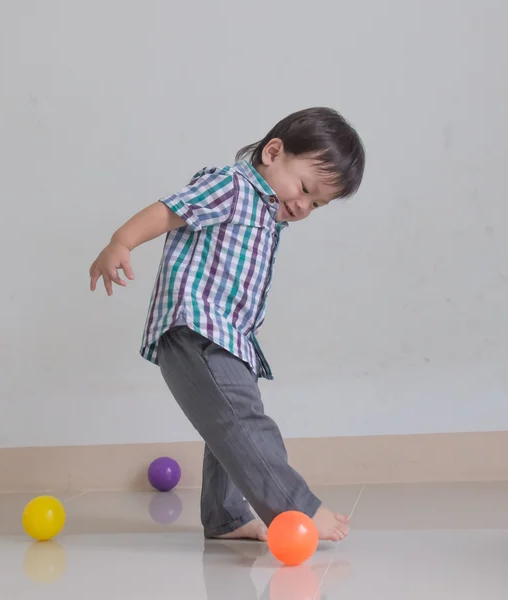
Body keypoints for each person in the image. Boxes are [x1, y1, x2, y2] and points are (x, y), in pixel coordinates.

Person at [89, 107, 366, 542]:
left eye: (316, 204)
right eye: (305, 188)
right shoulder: (233, 186)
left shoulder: (266, 211)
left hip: (229, 337)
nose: (302, 206)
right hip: (196, 329)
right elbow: (168, 211)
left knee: (230, 424)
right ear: (273, 152)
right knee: (243, 423)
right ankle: (297, 508)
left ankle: (227, 518)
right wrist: (121, 242)